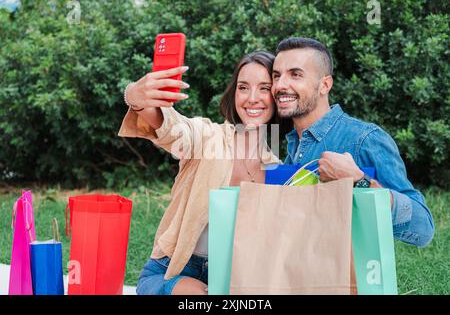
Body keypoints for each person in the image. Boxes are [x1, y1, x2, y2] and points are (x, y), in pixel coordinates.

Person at [118, 51, 286, 295]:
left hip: (231, 276)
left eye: (264, 88)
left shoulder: (276, 169)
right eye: (243, 87)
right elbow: (173, 129)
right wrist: (135, 97)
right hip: (173, 271)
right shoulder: (208, 137)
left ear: (276, 95)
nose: (252, 98)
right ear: (234, 93)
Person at [271, 37, 435, 247]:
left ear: (324, 85)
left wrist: (360, 181)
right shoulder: (294, 145)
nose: (280, 85)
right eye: (277, 76)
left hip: (350, 278)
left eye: (296, 74)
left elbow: (423, 229)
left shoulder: (364, 139)